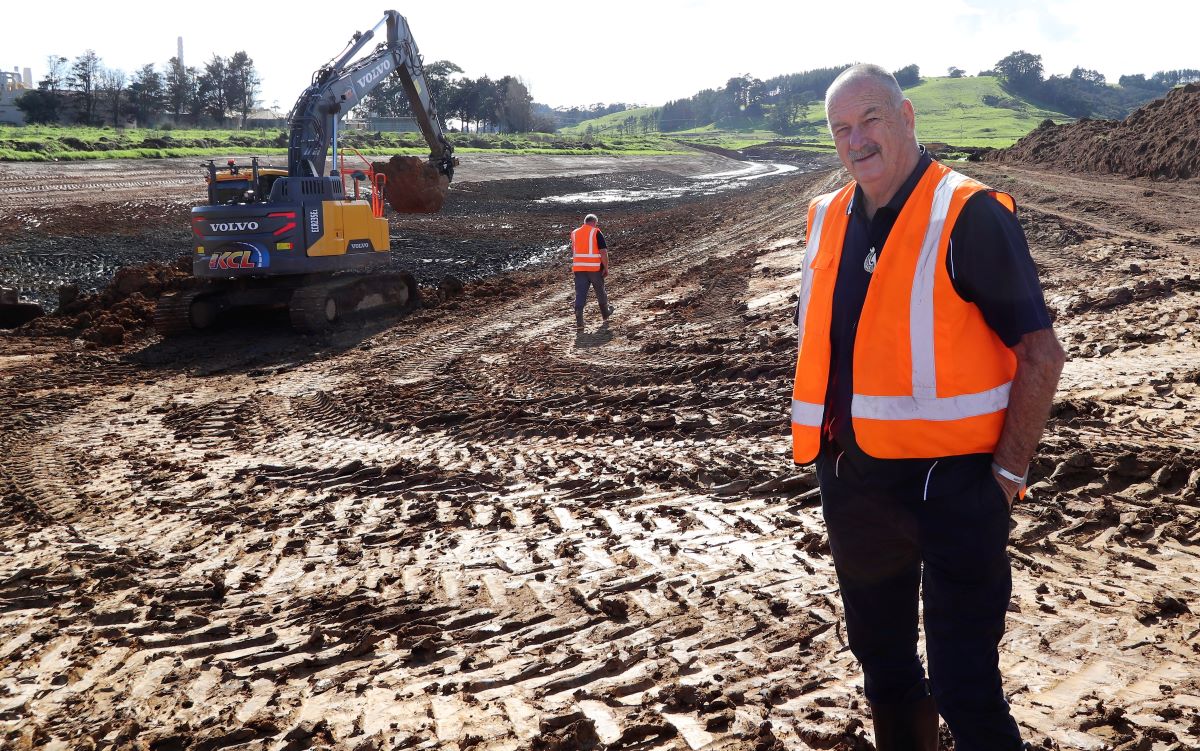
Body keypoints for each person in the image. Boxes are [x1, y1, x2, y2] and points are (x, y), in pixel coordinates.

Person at [789, 64, 1065, 750]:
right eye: (841, 129)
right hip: (856, 485)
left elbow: (1042, 353)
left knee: (966, 686)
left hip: (955, 490)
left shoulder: (966, 212)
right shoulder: (827, 216)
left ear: (907, 116)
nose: (857, 141)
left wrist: (1005, 479)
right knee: (884, 670)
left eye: (871, 120)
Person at [570, 213, 615, 328]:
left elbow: (575, 250)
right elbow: (603, 252)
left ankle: (579, 321)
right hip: (594, 268)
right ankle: (605, 315)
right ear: (595, 222)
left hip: (579, 268)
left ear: (585, 222)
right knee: (600, 291)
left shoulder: (574, 233)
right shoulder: (596, 232)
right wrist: (606, 267)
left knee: (580, 294)